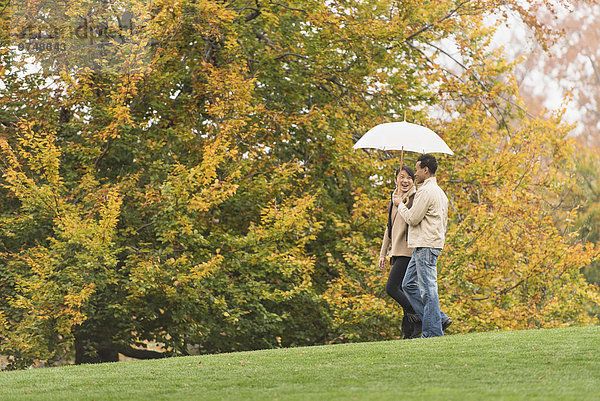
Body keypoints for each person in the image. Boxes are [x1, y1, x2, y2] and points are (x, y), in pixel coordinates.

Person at [396, 154, 452, 338]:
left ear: (425, 170)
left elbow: (412, 218)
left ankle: (432, 332)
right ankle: (439, 317)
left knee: (428, 289)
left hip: (426, 245)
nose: (415, 173)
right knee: (408, 285)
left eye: (417, 169)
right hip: (426, 244)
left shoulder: (426, 192)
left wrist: (399, 205)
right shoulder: (439, 192)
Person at [378, 166, 422, 339]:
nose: (405, 181)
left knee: (392, 288)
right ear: (395, 179)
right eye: (401, 177)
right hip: (396, 250)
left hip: (408, 249)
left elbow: (413, 220)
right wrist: (383, 253)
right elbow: (389, 227)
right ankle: (410, 331)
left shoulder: (415, 197)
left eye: (409, 178)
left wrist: (401, 204)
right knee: (403, 290)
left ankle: (418, 317)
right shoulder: (393, 198)